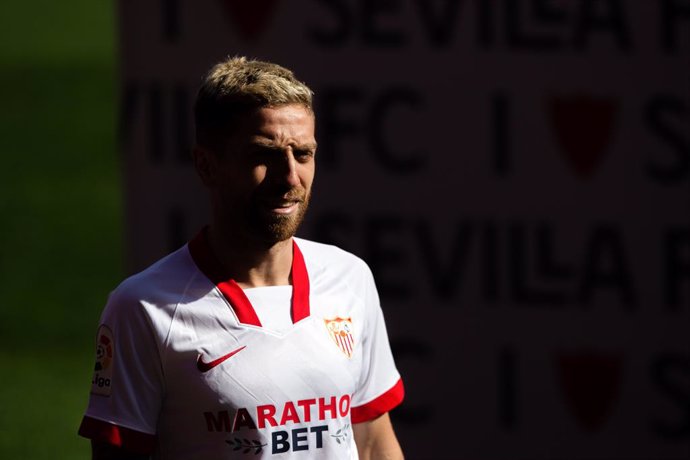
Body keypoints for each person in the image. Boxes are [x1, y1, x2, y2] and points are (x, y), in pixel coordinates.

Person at [78, 56, 405, 459]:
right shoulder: (142, 309)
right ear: (206, 165)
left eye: (302, 154)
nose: (289, 178)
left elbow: (372, 444)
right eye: (262, 156)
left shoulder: (350, 278)